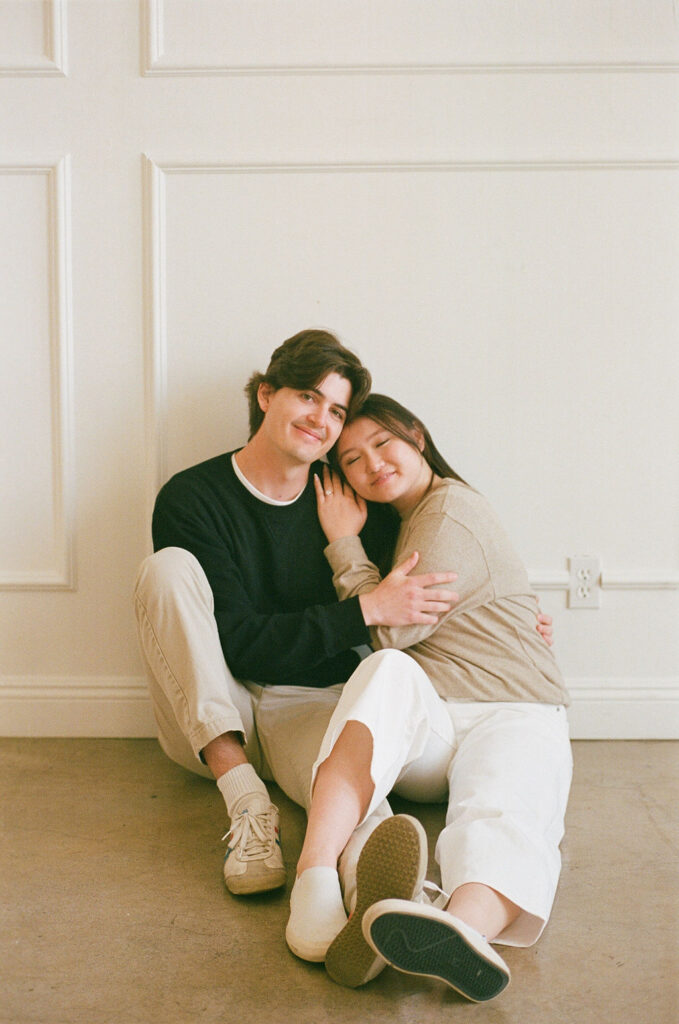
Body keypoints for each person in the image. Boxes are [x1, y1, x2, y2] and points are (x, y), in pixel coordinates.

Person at [133, 330, 465, 902]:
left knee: (350, 792)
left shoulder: (350, 499)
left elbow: (429, 577)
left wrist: (511, 614)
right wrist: (361, 610)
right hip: (211, 705)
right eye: (308, 397)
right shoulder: (192, 498)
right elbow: (237, 644)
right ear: (266, 395)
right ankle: (246, 804)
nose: (321, 420)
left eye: (336, 410)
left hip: (308, 701)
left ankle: (388, 903)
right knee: (165, 570)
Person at [285, 393, 572, 1003]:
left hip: (515, 708)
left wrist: (343, 542)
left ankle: (456, 930)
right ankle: (314, 883)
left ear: (416, 434)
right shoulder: (408, 522)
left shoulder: (450, 513)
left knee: (506, 809)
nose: (372, 466)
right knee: (386, 672)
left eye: (383, 444)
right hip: (439, 722)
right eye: (353, 459)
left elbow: (389, 621)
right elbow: (393, 634)